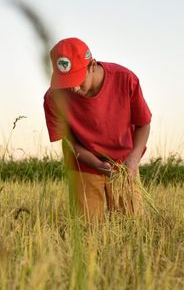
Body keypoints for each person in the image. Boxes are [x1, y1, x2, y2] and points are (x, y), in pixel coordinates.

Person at [43, 37, 152, 219]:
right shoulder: (54, 98)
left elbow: (143, 123)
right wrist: (97, 164)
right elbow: (70, 142)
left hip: (123, 164)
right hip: (83, 165)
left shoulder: (125, 79)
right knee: (89, 226)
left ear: (92, 65)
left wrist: (133, 159)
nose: (74, 88)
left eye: (78, 79)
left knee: (132, 223)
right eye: (66, 82)